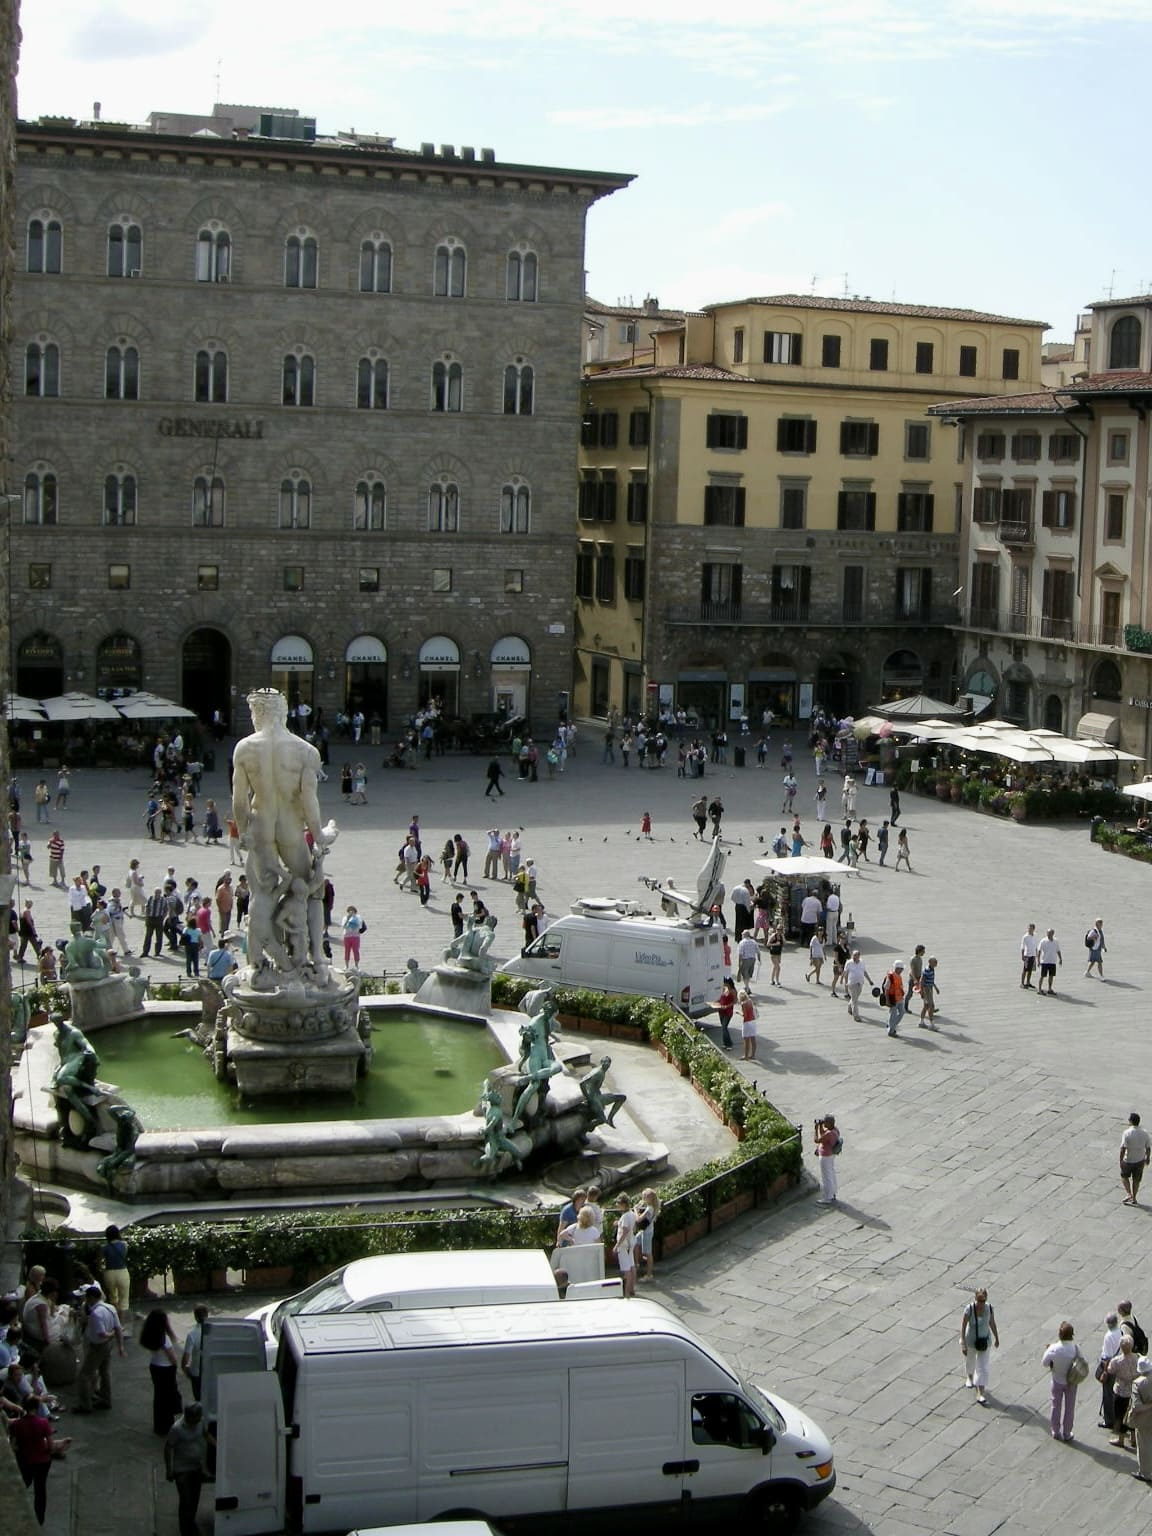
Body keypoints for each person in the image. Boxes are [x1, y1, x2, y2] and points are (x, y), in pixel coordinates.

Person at [9, 1400, 69, 1524]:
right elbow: (51, 1446)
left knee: (24, 1482)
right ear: (36, 1408)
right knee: (40, 1489)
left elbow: (13, 1446)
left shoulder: (17, 1424)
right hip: (42, 1461)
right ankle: (39, 1518)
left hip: (25, 1461)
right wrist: (49, 1450)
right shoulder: (43, 1423)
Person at [75, 1284, 125, 1412]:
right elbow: (118, 1327)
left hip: (98, 1345)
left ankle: (85, 1405)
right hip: (109, 1345)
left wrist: (111, 1334)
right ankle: (105, 1399)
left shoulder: (96, 1314)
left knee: (84, 1375)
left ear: (91, 1298)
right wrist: (120, 1346)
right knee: (104, 1372)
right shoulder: (110, 1308)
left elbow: (102, 1333)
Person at [165, 1400, 209, 1536]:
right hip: (182, 1469)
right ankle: (185, 1529)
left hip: (196, 1467)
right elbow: (168, 1448)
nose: (197, 1421)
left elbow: (206, 1435)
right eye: (195, 1418)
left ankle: (190, 1522)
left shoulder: (200, 1422)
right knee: (186, 1500)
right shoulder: (176, 1429)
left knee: (195, 1498)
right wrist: (169, 1469)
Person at [140, 1308, 182, 1436]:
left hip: (155, 1366)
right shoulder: (164, 1338)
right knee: (168, 1397)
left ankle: (159, 1425)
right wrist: (177, 1367)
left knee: (159, 1396)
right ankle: (167, 1425)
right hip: (166, 1369)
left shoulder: (150, 1335)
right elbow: (172, 1357)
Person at [1042, 1320, 1085, 1442]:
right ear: (1072, 1334)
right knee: (1070, 1408)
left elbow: (1044, 1363)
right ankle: (1067, 1433)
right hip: (1071, 1382)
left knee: (1056, 1406)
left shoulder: (1054, 1348)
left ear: (1059, 1334)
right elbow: (1082, 1361)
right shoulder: (1076, 1348)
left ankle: (1055, 1431)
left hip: (1057, 1380)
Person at [959, 1288, 999, 1405]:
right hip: (971, 1340)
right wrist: (963, 1343)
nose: (981, 1303)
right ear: (975, 1299)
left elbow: (992, 1323)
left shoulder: (989, 1308)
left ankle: (980, 1393)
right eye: (979, 1300)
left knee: (983, 1367)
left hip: (984, 1341)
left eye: (983, 1300)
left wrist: (997, 1337)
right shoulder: (969, 1309)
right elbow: (963, 1326)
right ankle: (969, 1376)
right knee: (970, 1361)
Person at [1108, 1336, 1141, 1448]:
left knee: (1121, 1415)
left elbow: (1110, 1370)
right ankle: (1133, 1438)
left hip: (1121, 1391)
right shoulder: (1137, 1358)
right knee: (1132, 1414)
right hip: (1134, 1390)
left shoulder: (1117, 1361)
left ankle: (1121, 1439)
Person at [1099, 1311, 1124, 1432]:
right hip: (1120, 1365)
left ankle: (1109, 1420)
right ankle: (1118, 1417)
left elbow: (1107, 1357)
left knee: (1108, 1394)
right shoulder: (1121, 1331)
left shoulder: (1108, 1336)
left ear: (1108, 1323)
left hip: (1111, 1367)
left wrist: (1104, 1372)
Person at [1121, 1111, 1152, 1205]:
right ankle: (1134, 1197)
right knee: (1136, 1180)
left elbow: (1123, 1148)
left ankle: (1128, 1193)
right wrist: (1148, 1158)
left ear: (1130, 1121)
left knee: (1124, 1177)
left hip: (1128, 1160)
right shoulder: (1145, 1133)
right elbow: (1148, 1148)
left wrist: (1120, 1160)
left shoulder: (1127, 1133)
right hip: (1140, 1160)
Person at [100, 1224, 130, 1322]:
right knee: (124, 1299)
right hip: (122, 1272)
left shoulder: (104, 1247)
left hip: (109, 1273)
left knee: (113, 1298)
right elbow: (124, 1256)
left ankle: (114, 1320)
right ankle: (121, 1323)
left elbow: (100, 1261)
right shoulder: (124, 1245)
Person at [181, 1305, 209, 1402]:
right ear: (207, 1316)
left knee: (198, 1399)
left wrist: (186, 1370)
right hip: (210, 1371)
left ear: (195, 1317)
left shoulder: (192, 1334)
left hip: (196, 1373)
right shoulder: (213, 1332)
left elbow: (185, 1358)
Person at [634, 1188, 661, 1282]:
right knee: (635, 1243)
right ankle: (637, 1263)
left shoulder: (650, 1208)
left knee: (648, 1253)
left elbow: (638, 1219)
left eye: (644, 1196)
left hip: (647, 1232)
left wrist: (635, 1210)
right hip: (643, 1231)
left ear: (649, 1198)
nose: (643, 1198)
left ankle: (649, 1274)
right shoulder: (650, 1205)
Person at [613, 1195, 637, 1298]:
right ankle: (631, 1289)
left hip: (624, 1246)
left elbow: (624, 1231)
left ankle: (626, 1293)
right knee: (631, 1266)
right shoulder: (631, 1214)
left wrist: (617, 1245)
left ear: (623, 1204)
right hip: (630, 1243)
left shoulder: (625, 1216)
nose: (617, 1205)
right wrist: (618, 1223)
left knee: (626, 1270)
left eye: (618, 1203)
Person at [814, 1114, 840, 1204]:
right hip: (831, 1155)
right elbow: (823, 1134)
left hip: (825, 1156)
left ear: (829, 1123)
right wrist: (821, 1126)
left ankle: (827, 1197)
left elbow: (817, 1140)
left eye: (825, 1122)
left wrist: (815, 1129)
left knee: (826, 1177)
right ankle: (832, 1193)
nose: (823, 1123)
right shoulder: (835, 1130)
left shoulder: (829, 1134)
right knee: (831, 1173)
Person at [711, 976, 737, 1052]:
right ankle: (725, 1042)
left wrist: (727, 1006)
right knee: (723, 1026)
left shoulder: (733, 991)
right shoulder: (725, 989)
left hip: (727, 1011)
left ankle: (729, 1043)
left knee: (724, 1027)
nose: (724, 984)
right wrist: (716, 1003)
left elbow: (735, 1001)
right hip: (721, 1010)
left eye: (725, 983)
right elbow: (722, 998)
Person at [883, 962, 905, 1037]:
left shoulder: (899, 976)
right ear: (897, 968)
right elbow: (886, 989)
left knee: (902, 1012)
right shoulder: (891, 977)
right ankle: (891, 1031)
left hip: (900, 998)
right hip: (893, 999)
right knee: (893, 1014)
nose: (902, 970)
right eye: (901, 969)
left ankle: (890, 1025)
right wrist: (887, 1001)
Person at [1037, 928, 1062, 995]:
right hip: (1044, 961)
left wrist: (1060, 959)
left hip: (1052, 961)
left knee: (1051, 976)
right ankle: (1039, 989)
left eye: (1050, 933)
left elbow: (1058, 950)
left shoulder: (1056, 941)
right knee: (1042, 976)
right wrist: (1038, 961)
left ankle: (1050, 989)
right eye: (1048, 933)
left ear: (1053, 934)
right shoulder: (1043, 941)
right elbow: (1039, 951)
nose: (1049, 934)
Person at [918, 956, 940, 1028]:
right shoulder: (927, 970)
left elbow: (931, 980)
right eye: (935, 962)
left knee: (926, 1006)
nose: (936, 963)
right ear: (930, 962)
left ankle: (921, 1022)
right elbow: (922, 981)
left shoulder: (932, 969)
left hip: (929, 988)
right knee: (931, 1006)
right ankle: (932, 1024)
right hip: (926, 989)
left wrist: (935, 987)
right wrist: (921, 991)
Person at [739, 989, 757, 1060]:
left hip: (747, 1023)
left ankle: (746, 1056)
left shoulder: (743, 1004)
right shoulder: (750, 1001)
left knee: (746, 1040)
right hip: (753, 1021)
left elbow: (745, 1015)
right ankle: (753, 1055)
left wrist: (739, 1013)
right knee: (753, 1039)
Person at [1020, 922, 1038, 988]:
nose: (1029, 929)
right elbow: (1022, 946)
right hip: (1027, 955)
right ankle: (1022, 983)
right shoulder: (1025, 936)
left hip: (1033, 955)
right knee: (1025, 970)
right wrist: (1022, 955)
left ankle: (1028, 982)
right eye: (1029, 928)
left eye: (1031, 928)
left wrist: (1036, 955)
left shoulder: (1035, 935)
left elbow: (1036, 945)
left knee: (1030, 970)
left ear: (1034, 929)